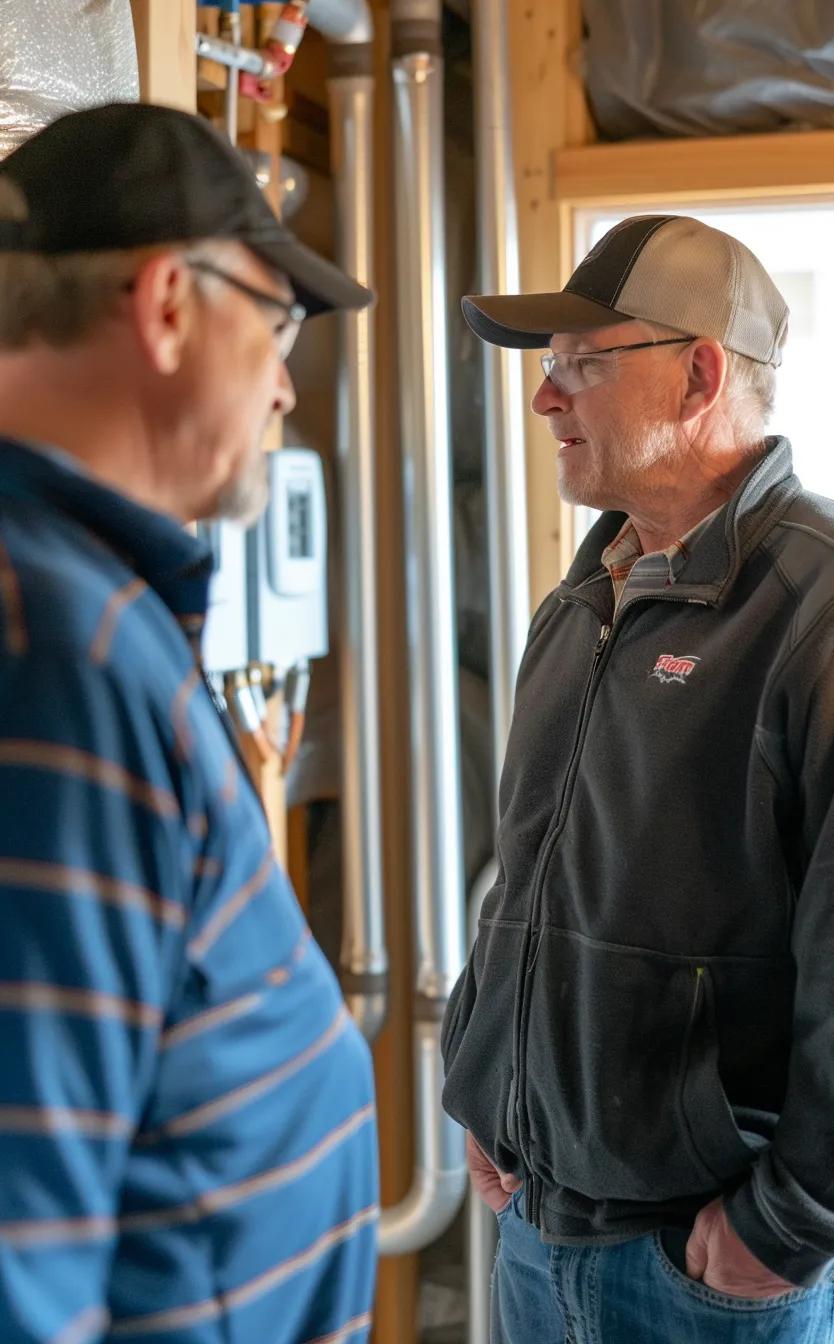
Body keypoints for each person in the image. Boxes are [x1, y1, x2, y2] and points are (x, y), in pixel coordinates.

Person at [442, 213, 834, 1342]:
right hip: (538, 1231)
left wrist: (794, 1223)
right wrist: (487, 1082)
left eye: (581, 365)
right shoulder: (587, 593)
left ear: (698, 373)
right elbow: (527, 880)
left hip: (720, 1266)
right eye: (549, 370)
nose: (546, 399)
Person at [0, 103, 377, 1344]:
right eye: (273, 323)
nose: (281, 384)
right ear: (166, 301)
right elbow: (24, 1236)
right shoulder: (54, 651)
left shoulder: (90, 603)